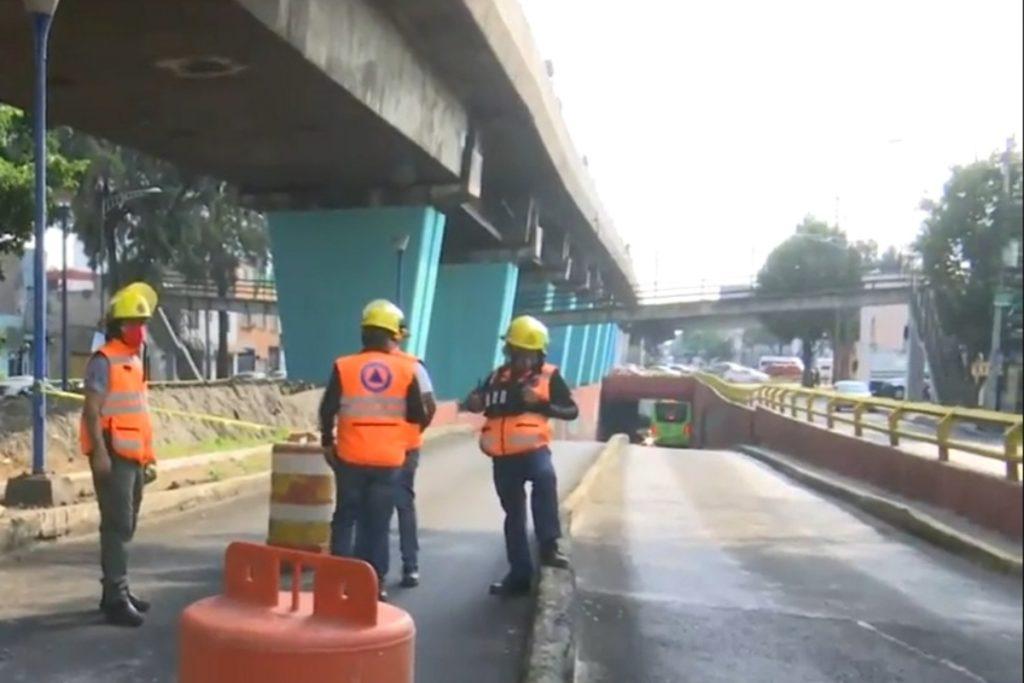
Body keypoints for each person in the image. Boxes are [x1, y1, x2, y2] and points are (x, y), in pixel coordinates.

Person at [463, 315, 578, 597]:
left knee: (545, 479)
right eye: (515, 353)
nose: (520, 360)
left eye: (526, 355)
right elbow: (473, 402)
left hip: (534, 451)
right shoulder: (496, 377)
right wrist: (473, 402)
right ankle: (519, 574)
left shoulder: (550, 377)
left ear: (538, 355)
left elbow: (570, 411)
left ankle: (549, 545)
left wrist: (540, 403)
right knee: (513, 515)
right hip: (503, 459)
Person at [319, 299, 427, 601]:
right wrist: (401, 439)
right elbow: (419, 413)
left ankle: (338, 580)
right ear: (393, 334)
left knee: (345, 518)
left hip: (350, 457)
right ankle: (374, 583)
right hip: (388, 460)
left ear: (364, 334)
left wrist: (328, 442)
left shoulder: (345, 366)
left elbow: (327, 408)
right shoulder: (407, 369)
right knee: (377, 523)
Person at [80, 282, 159, 627]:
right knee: (117, 526)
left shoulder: (134, 361)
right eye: (132, 323)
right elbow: (91, 411)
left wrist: (149, 457)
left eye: (142, 323)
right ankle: (116, 597)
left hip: (134, 458)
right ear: (118, 326)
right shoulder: (104, 360)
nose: (139, 329)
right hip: (112, 456)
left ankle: (116, 590)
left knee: (126, 525)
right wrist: (99, 453)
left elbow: (139, 416)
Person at [392, 324, 436, 588]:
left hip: (364, 449)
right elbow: (429, 406)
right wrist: (414, 431)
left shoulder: (357, 367)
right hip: (405, 448)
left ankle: (369, 572)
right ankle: (411, 566)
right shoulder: (412, 366)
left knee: (371, 509)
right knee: (403, 504)